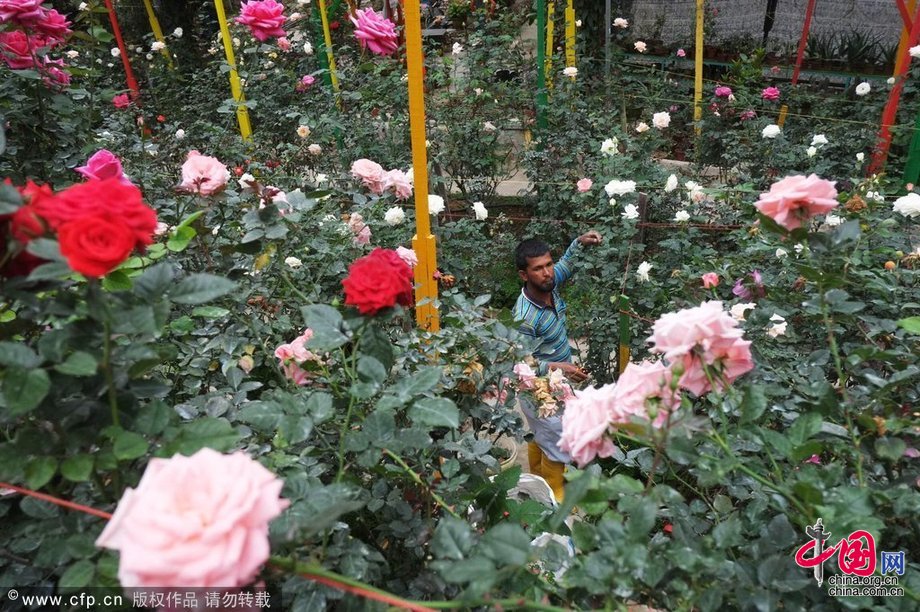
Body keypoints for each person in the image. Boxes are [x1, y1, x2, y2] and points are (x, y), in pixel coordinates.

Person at [512, 231, 602, 501]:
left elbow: (566, 264)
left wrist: (579, 242)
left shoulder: (549, 285)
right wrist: (558, 367)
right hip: (537, 390)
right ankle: (555, 497)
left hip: (557, 381)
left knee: (544, 436)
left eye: (548, 265)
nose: (548, 272)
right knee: (558, 441)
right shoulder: (525, 317)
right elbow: (520, 364)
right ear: (524, 275)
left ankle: (539, 480)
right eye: (538, 269)